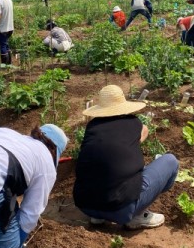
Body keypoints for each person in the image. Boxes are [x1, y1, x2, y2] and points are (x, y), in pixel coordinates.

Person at [73, 85, 179, 230]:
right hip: (121, 209)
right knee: (170, 161)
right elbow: (145, 130)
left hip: (85, 204)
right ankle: (137, 215)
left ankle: (98, 217)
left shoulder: (92, 126)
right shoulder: (133, 123)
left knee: (105, 171)